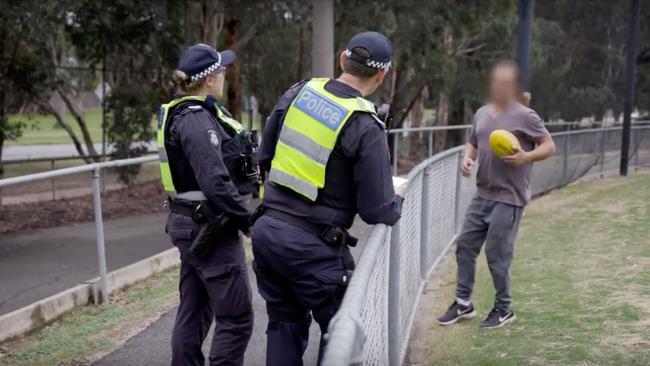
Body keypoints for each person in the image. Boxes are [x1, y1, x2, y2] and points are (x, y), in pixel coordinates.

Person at [251, 31, 403, 365]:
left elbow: (265, 157)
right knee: (342, 335)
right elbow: (377, 209)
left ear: (342, 60)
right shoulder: (365, 124)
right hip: (313, 251)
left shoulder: (298, 92)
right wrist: (398, 199)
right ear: (382, 74)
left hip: (268, 233)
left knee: (283, 327)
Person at [158, 44, 259, 365]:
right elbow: (215, 181)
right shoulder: (196, 120)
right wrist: (247, 221)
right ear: (210, 79)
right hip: (209, 227)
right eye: (221, 70)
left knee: (194, 309)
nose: (226, 74)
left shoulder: (185, 113)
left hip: (192, 223)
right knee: (237, 318)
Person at [437, 60, 556, 329]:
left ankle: (504, 309)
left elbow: (549, 146)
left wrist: (527, 156)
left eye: (505, 83)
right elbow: (473, 143)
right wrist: (467, 159)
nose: (499, 87)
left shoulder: (526, 116)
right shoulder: (481, 113)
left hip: (509, 198)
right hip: (482, 195)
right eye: (496, 82)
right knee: (465, 245)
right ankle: (463, 303)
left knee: (497, 255)